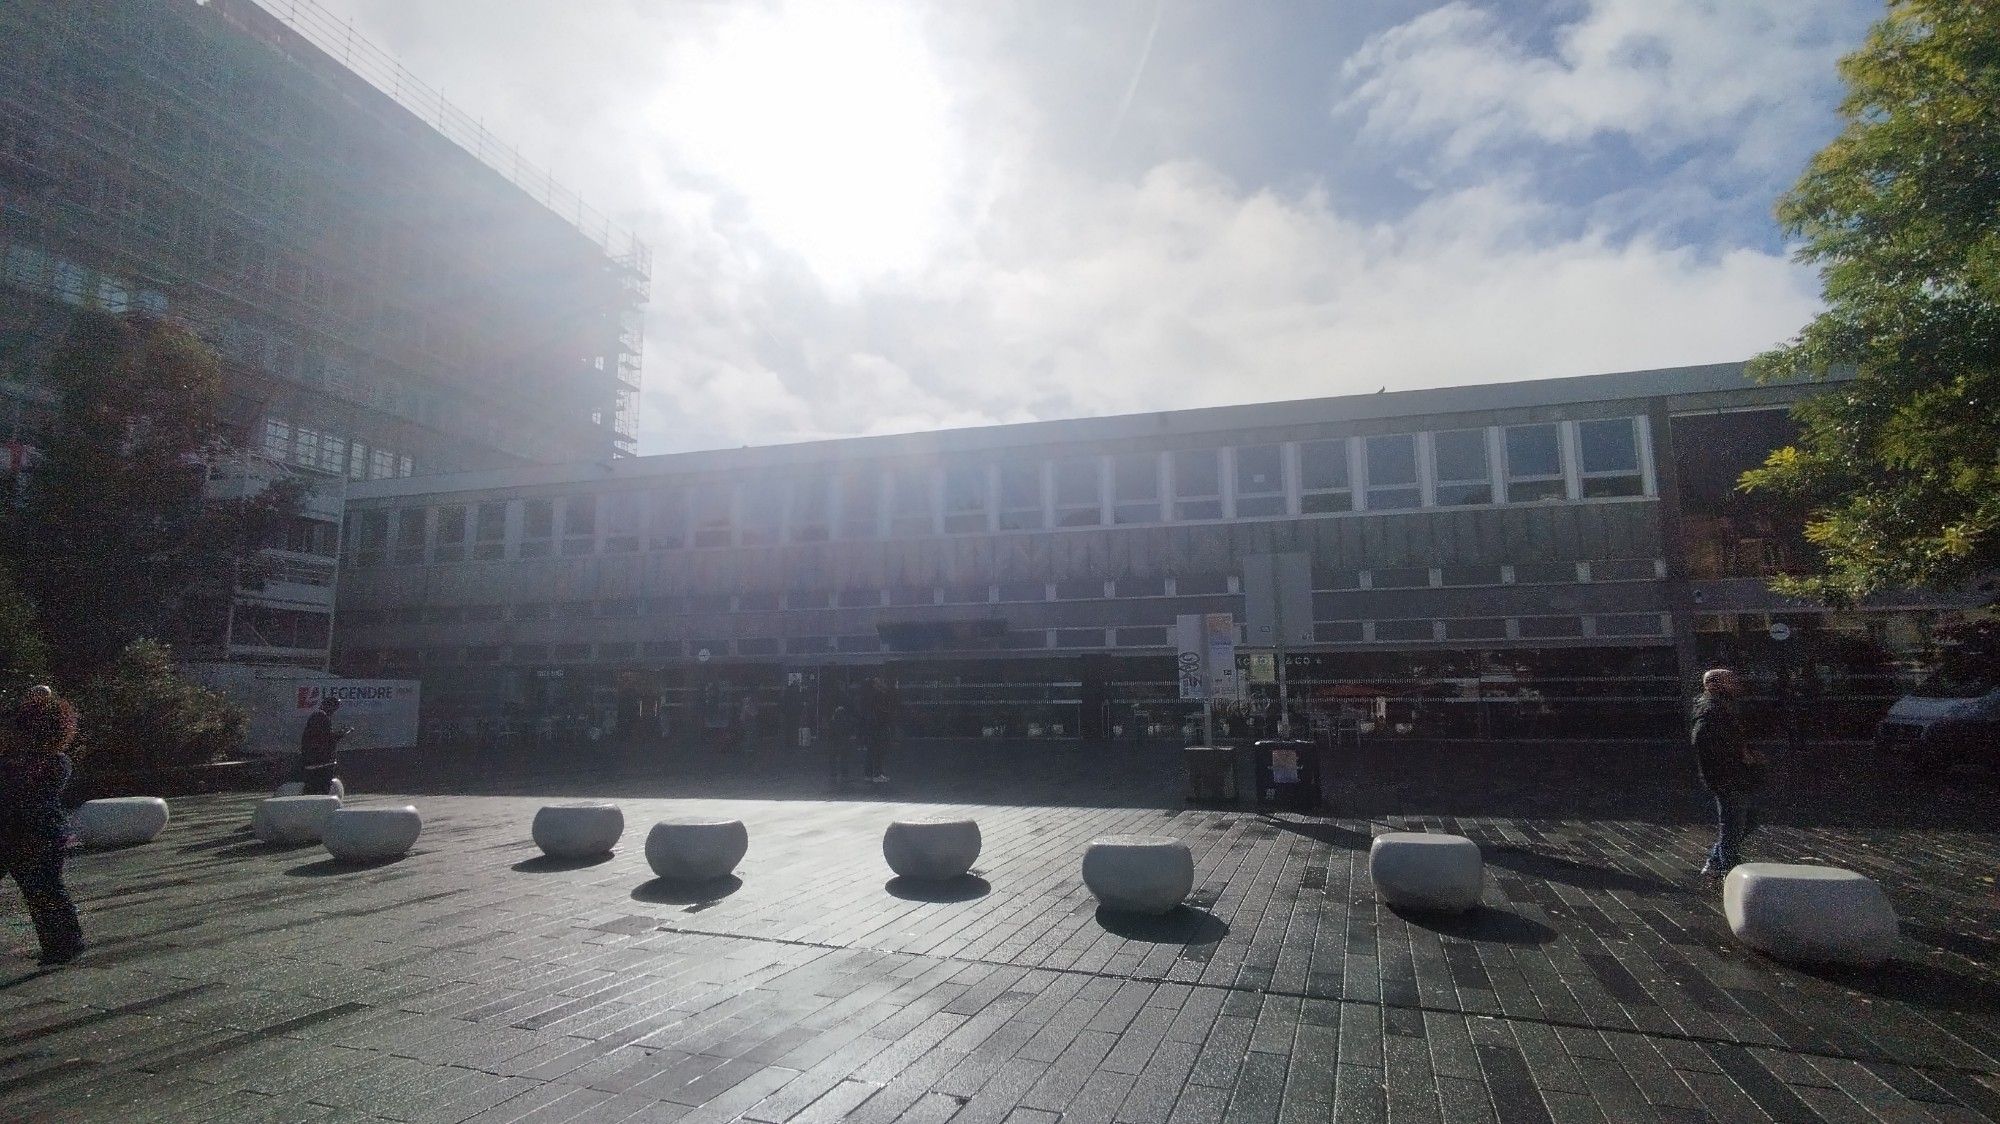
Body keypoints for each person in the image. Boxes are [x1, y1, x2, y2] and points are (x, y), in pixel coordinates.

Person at [2, 686, 86, 965]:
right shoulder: (56, 762)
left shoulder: (33, 764)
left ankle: (63, 944)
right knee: (46, 890)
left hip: (25, 834)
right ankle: (65, 944)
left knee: (43, 891)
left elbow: (15, 791)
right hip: (37, 833)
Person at [1690, 667, 1767, 877]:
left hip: (1733, 775)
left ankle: (1716, 862)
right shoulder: (1711, 710)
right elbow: (1705, 743)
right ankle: (1727, 869)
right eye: (1730, 681)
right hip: (1728, 777)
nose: (1736, 685)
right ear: (1716, 685)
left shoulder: (1722, 707)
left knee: (1745, 820)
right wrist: (1737, 756)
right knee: (1733, 826)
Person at [299, 696, 349, 796]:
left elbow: (324, 737)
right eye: (335, 707)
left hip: (316, 760)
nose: (335, 711)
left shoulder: (318, 717)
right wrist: (341, 734)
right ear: (329, 706)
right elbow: (326, 739)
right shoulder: (321, 717)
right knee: (319, 788)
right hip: (321, 761)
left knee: (314, 788)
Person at [825, 699, 858, 789]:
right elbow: (850, 731)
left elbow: (829, 732)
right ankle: (844, 774)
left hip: (834, 742)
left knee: (833, 758)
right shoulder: (847, 721)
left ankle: (833, 773)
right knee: (844, 758)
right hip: (844, 742)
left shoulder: (832, 722)